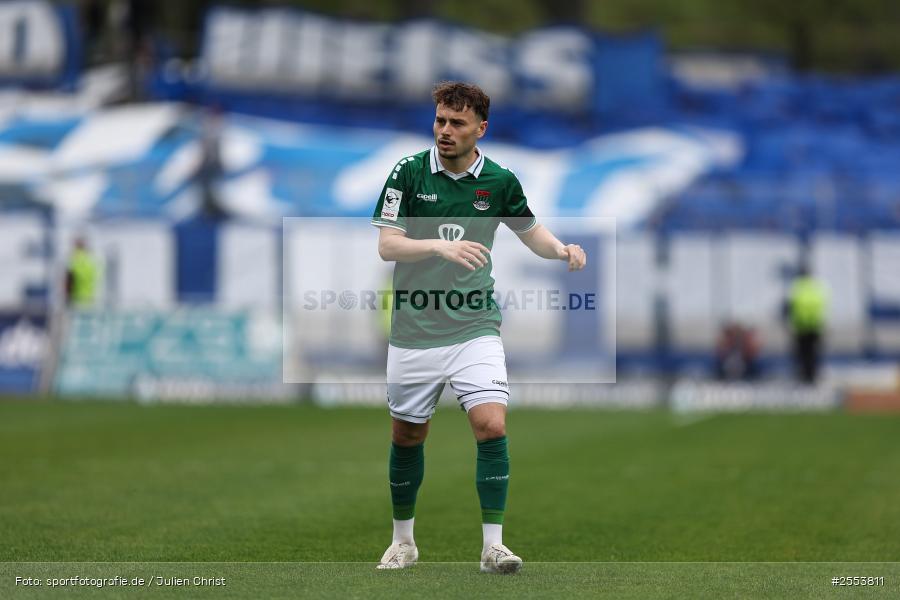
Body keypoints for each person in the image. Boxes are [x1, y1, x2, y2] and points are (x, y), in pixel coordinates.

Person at [371, 81, 587, 573]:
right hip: (415, 327)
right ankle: (403, 541)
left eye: (457, 123)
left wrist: (562, 250)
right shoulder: (406, 173)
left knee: (491, 426)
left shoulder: (500, 181)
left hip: (475, 324)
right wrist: (438, 246)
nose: (444, 131)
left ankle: (494, 547)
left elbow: (531, 233)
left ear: (480, 129)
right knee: (407, 436)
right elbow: (387, 245)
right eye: (440, 120)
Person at [787, 265, 828, 384]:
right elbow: (822, 306)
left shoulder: (797, 287)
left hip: (801, 326)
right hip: (815, 326)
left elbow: (791, 306)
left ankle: (804, 377)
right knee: (813, 354)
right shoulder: (817, 287)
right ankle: (812, 376)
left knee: (802, 353)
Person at [65, 238, 101, 308]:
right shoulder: (91, 260)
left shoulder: (73, 260)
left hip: (76, 300)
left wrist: (67, 299)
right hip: (90, 299)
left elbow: (69, 281)